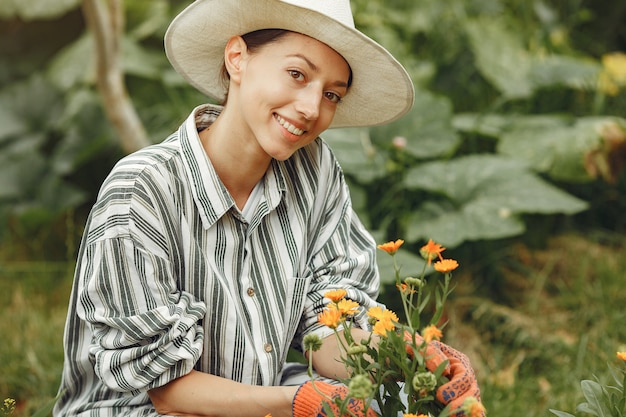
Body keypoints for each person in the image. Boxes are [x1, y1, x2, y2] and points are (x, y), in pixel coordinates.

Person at [53, 1, 483, 416]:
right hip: (141, 410)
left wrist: (405, 356)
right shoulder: (143, 189)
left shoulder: (314, 171)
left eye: (332, 94)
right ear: (237, 58)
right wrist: (297, 402)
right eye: (297, 74)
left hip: (260, 396)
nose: (312, 109)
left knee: (414, 403)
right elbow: (167, 393)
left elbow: (327, 324)